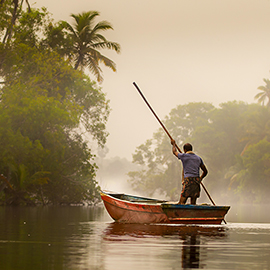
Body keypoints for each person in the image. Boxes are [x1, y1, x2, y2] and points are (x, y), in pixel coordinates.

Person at [171, 139, 208, 205]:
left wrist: (173, 144)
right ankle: (192, 214)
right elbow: (205, 171)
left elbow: (174, 152)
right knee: (193, 203)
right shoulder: (198, 158)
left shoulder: (184, 156)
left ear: (185, 150)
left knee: (181, 203)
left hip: (188, 181)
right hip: (196, 181)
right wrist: (200, 178)